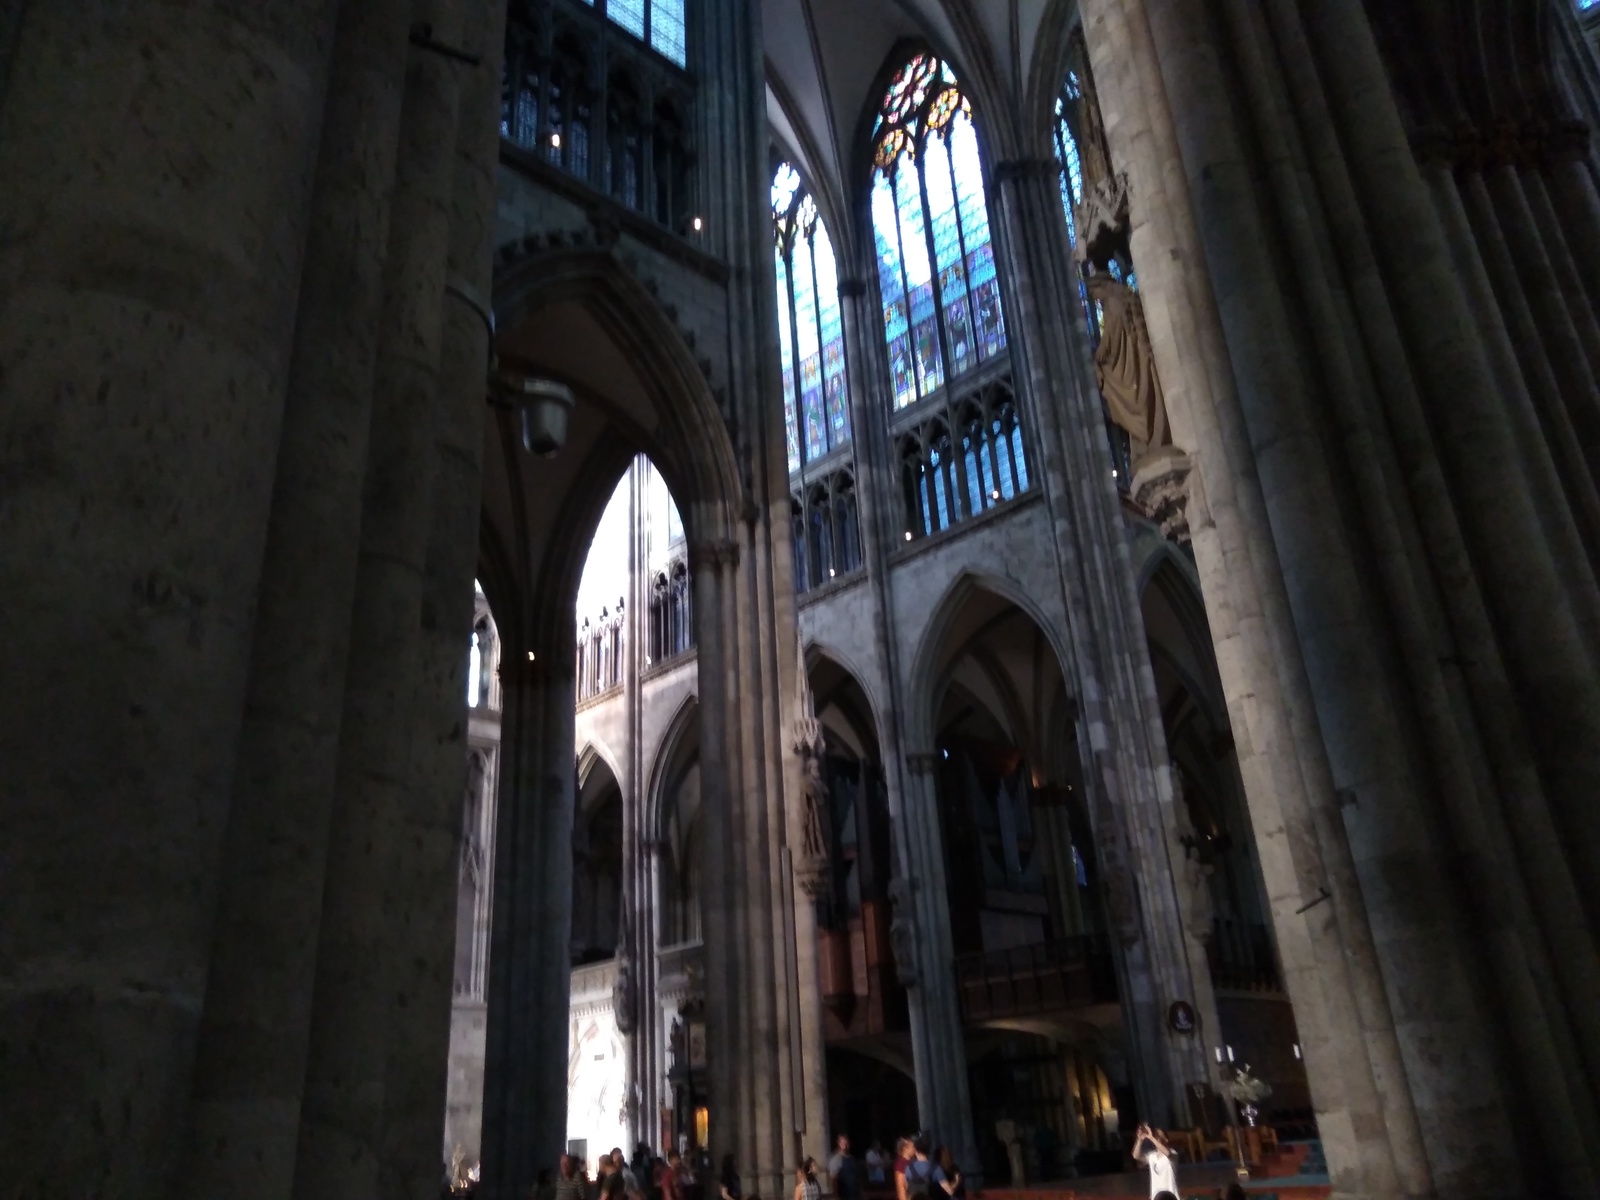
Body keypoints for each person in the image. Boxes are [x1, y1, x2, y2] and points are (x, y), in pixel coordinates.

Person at [1131, 1125, 1180, 1200]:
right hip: (1156, 1196)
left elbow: (1166, 1153)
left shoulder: (1173, 1153)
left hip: (1170, 1195)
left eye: (1159, 1137)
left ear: (1166, 1139)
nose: (1157, 1139)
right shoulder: (1152, 1156)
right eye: (1156, 1136)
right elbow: (1136, 1156)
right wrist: (1140, 1140)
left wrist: (1151, 1138)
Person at [829, 1135, 860, 1200]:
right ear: (839, 1144)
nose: (845, 1146)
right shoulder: (836, 1159)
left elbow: (856, 1176)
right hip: (843, 1195)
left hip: (855, 1194)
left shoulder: (852, 1159)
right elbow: (833, 1179)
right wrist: (835, 1195)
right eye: (843, 1144)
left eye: (846, 1144)